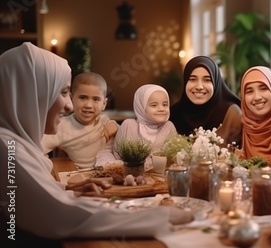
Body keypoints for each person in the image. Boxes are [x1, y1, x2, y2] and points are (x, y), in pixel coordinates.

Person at [0, 43, 193, 246]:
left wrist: (67, 190)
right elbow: (61, 217)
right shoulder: (8, 151)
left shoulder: (13, 144)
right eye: (63, 92)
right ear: (32, 93)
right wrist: (160, 216)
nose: (68, 105)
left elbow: (32, 202)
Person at [41, 72, 118, 169]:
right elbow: (36, 149)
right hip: (80, 178)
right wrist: (49, 168)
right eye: (83, 98)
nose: (88, 105)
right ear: (71, 98)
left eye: (96, 99)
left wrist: (115, 125)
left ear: (104, 104)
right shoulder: (62, 126)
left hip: (108, 176)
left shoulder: (105, 121)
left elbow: (125, 138)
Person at [95, 84, 176, 166]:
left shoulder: (169, 126)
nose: (161, 109)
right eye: (154, 105)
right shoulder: (129, 125)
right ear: (141, 107)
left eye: (165, 104)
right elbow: (119, 157)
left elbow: (174, 156)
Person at [170, 56, 242, 146]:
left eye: (207, 80)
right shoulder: (173, 114)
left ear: (215, 83)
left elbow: (239, 157)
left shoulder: (231, 114)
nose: (199, 86)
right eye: (192, 79)